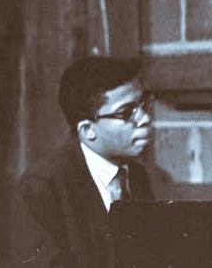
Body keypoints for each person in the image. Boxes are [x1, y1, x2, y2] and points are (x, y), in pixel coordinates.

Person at [14, 55, 154, 268]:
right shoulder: (42, 188)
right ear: (88, 130)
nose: (145, 118)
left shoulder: (139, 176)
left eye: (144, 105)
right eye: (127, 112)